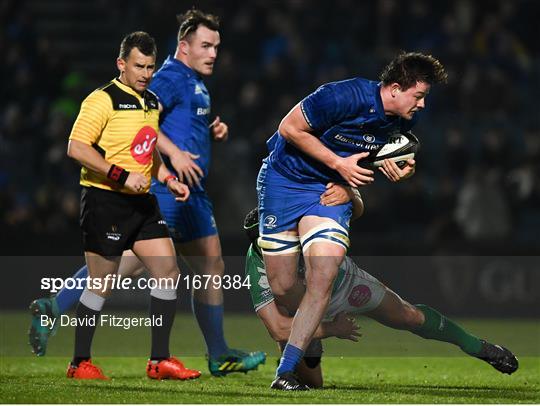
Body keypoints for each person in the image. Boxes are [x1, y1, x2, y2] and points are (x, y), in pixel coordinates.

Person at [29, 9, 265, 377]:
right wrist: (170, 160)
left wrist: (210, 128)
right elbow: (143, 127)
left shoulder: (194, 81)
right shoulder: (168, 77)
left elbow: (166, 122)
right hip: (160, 192)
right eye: (206, 45)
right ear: (183, 47)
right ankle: (57, 310)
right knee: (129, 265)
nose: (214, 53)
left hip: (191, 192)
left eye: (216, 45)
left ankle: (214, 353)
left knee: (209, 266)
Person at [256, 52, 448, 390]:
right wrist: (339, 164)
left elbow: (370, 157)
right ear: (394, 88)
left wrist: (394, 167)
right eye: (418, 96)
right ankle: (311, 327)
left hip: (328, 193)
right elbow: (288, 128)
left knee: (323, 275)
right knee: (283, 285)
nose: (421, 105)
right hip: (283, 181)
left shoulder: (403, 121)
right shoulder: (342, 95)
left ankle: (285, 371)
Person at [243, 203, 519, 389]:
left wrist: (349, 194)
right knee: (314, 386)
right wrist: (330, 328)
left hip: (345, 287)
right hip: (304, 314)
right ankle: (302, 353)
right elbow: (279, 329)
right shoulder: (257, 264)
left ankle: (477, 346)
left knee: (409, 315)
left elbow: (355, 206)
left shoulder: (305, 223)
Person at [64, 31, 199, 380]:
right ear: (121, 64)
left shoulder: (152, 101)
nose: (145, 73)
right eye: (138, 66)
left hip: (142, 203)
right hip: (104, 200)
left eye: (150, 67)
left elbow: (148, 149)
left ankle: (159, 361)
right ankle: (79, 363)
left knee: (168, 271)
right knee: (102, 282)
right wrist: (121, 176)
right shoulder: (102, 100)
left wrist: (167, 179)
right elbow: (77, 148)